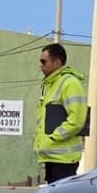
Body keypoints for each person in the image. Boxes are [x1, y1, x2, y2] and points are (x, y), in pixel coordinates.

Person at [34, 43, 88, 183]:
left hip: (64, 160)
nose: (41, 65)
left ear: (57, 62)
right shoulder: (52, 84)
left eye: (44, 61)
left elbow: (76, 120)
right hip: (52, 157)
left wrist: (53, 138)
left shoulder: (70, 83)